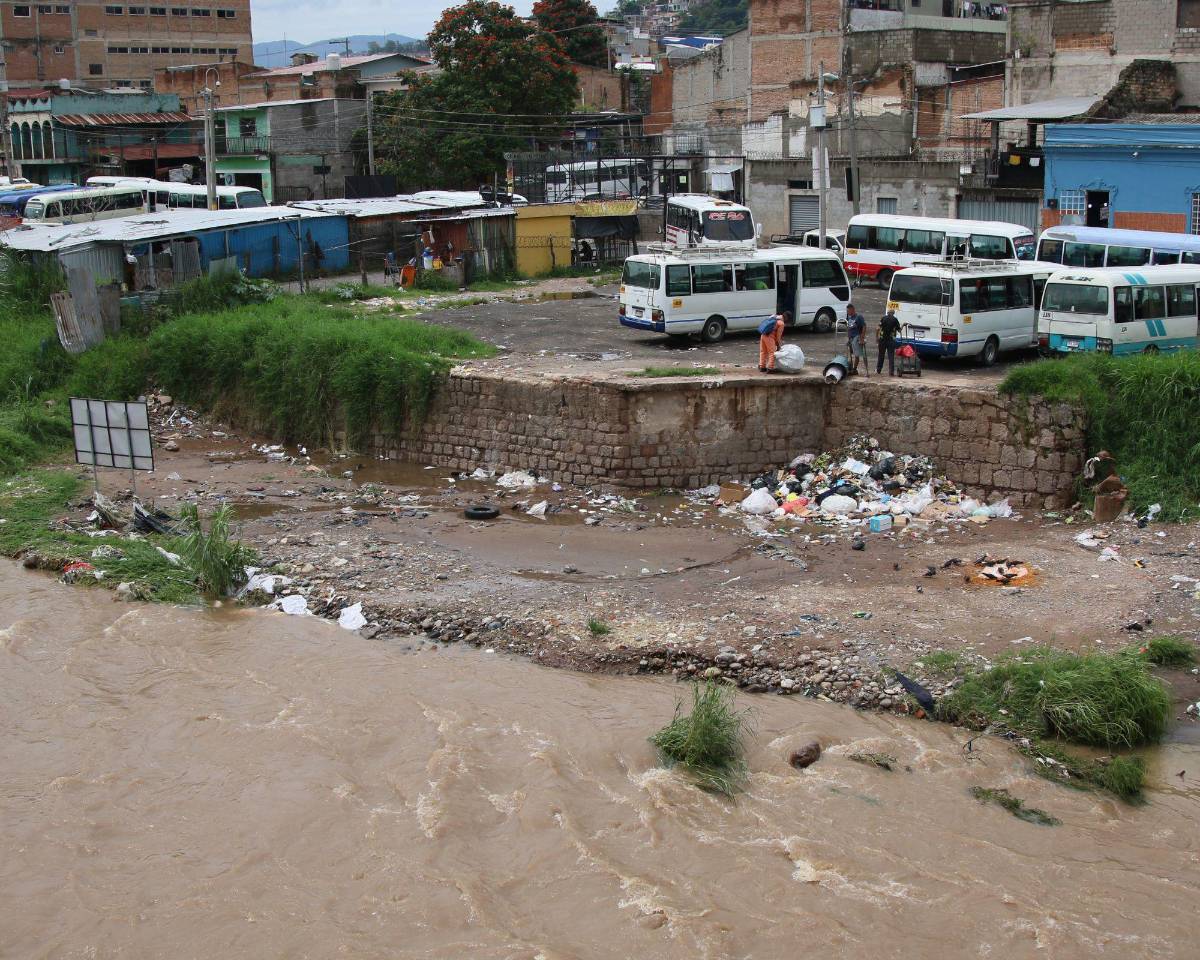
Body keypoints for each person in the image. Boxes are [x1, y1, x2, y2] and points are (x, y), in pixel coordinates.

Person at [877, 309, 902, 376]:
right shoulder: (895, 320)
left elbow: (878, 328)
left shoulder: (883, 318)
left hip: (882, 340)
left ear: (888, 313)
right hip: (891, 340)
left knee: (881, 355)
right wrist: (903, 325)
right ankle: (891, 371)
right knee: (891, 356)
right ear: (893, 313)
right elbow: (899, 330)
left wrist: (877, 337)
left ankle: (879, 370)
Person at [845, 302, 867, 376]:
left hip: (857, 337)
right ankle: (852, 368)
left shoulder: (859, 317)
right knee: (851, 354)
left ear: (852, 310)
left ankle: (854, 369)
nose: (848, 312)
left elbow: (864, 326)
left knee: (857, 354)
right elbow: (849, 329)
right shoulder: (849, 318)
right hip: (851, 338)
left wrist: (861, 338)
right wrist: (848, 339)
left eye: (848, 311)